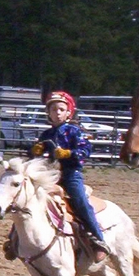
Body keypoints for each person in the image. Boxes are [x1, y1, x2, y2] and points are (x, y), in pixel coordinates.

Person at [28, 91, 110, 263]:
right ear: (48, 113)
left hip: (71, 173)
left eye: (61, 109)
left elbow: (86, 150)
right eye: (53, 109)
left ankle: (99, 239)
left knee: (79, 200)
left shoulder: (74, 131)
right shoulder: (46, 135)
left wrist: (69, 153)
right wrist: (34, 151)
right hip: (51, 174)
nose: (57, 113)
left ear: (68, 113)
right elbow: (34, 155)